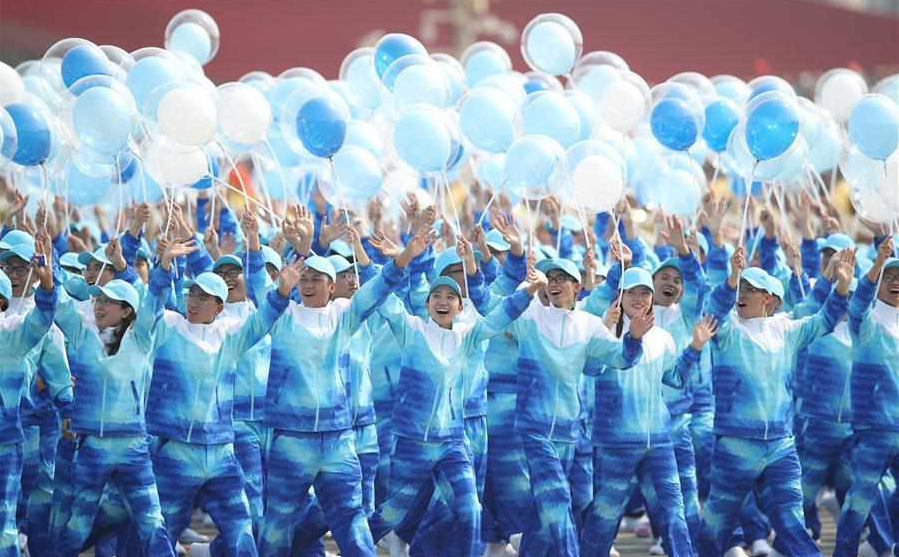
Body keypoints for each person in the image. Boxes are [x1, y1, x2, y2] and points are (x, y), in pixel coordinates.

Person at [367, 256, 546, 557]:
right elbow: (382, 295)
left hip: (452, 442)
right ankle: (354, 545)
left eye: (451, 297)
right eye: (436, 295)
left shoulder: (468, 336)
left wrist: (529, 291)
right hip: (413, 442)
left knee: (470, 508)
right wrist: (375, 260)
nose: (443, 301)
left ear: (460, 307)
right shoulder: (411, 329)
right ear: (427, 304)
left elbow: (501, 315)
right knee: (393, 512)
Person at [145, 220, 299, 557]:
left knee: (242, 530)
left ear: (219, 306)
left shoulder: (230, 335)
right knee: (159, 532)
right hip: (177, 451)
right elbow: (149, 309)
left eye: (205, 297)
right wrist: (163, 267)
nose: (195, 301)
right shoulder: (168, 327)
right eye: (192, 293)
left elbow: (262, 321)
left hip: (221, 452)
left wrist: (282, 292)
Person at [697, 245, 854, 557]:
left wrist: (842, 286)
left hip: (781, 445)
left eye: (750, 289)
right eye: (740, 287)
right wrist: (731, 278)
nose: (741, 293)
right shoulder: (727, 329)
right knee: (715, 526)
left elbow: (824, 319)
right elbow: (714, 310)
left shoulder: (786, 328)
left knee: (792, 521)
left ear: (768, 299)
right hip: (736, 444)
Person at [582, 265, 717, 557]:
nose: (639, 298)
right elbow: (591, 368)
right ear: (620, 295)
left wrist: (694, 348)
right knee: (604, 516)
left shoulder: (663, 337)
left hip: (659, 440)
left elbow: (675, 379)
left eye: (645, 293)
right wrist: (620, 333)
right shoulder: (603, 332)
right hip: (615, 443)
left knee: (674, 511)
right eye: (632, 292)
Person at [49, 277, 175, 557]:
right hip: (92, 446)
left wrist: (164, 268)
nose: (99, 306)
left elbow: (155, 300)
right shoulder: (83, 334)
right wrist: (49, 273)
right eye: (98, 300)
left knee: (152, 520)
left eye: (108, 302)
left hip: (133, 447)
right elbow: (59, 303)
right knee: (79, 523)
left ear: (127, 310)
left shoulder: (141, 338)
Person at [833, 236, 899, 557]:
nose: (896, 282)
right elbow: (858, 304)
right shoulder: (867, 321)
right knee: (858, 504)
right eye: (890, 276)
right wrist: (878, 263)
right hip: (873, 430)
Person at [0, 235, 56, 557]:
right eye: (7, 267)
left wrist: (47, 285)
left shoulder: (12, 336)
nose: (13, 274)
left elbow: (41, 321)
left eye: (20, 267)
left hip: (11, 437)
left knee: (8, 517)